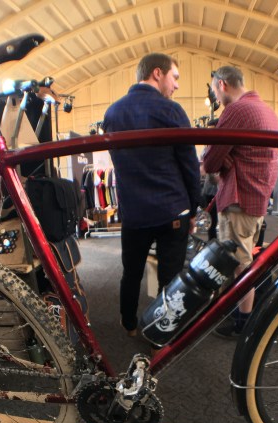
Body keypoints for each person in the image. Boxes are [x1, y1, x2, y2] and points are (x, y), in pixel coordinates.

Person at [102, 53, 200, 336]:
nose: (176, 85)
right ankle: (161, 332)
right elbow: (189, 165)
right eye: (175, 77)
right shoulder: (171, 111)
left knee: (131, 272)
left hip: (134, 210)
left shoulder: (113, 113)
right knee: (170, 277)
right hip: (172, 208)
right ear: (158, 73)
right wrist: (194, 208)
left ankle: (129, 324)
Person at [201, 65, 278, 339]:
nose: (215, 97)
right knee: (244, 261)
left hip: (238, 199)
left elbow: (210, 161)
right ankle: (239, 316)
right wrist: (226, 159)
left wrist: (223, 160)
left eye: (214, 91)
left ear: (222, 84)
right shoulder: (267, 111)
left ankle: (243, 324)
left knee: (240, 265)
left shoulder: (236, 111)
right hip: (257, 200)